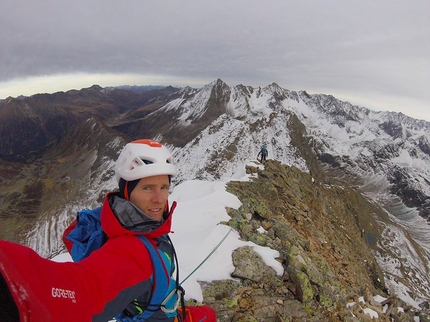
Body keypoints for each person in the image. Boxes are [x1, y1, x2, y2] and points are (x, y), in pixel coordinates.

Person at [0, 139, 216, 322]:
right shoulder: (132, 252)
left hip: (158, 308)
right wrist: (10, 283)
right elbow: (83, 292)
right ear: (126, 192)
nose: (159, 199)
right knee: (209, 315)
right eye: (147, 188)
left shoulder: (136, 223)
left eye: (164, 187)